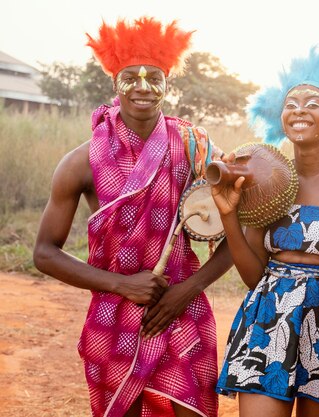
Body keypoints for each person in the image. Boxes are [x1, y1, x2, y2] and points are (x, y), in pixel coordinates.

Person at [33, 17, 232, 417]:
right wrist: (122, 285)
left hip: (182, 309)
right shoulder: (81, 162)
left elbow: (237, 236)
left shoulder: (196, 148)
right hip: (114, 317)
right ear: (114, 84)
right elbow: (43, 252)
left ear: (167, 84)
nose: (142, 86)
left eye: (153, 76)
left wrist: (187, 289)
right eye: (131, 76)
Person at [212, 47, 319, 417]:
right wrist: (229, 218)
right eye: (291, 103)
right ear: (281, 117)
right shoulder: (264, 179)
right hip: (269, 318)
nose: (300, 109)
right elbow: (254, 276)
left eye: (313, 103)